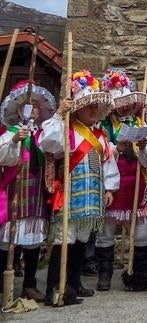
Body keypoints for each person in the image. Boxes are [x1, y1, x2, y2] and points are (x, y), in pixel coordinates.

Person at [39, 70, 119, 305]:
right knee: (65, 238)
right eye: (89, 106)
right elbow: (49, 144)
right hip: (71, 195)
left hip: (92, 197)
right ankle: (55, 287)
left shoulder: (101, 137)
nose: (94, 110)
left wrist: (109, 189)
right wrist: (58, 115)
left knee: (82, 240)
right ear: (78, 108)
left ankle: (74, 283)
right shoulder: (67, 130)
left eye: (96, 106)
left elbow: (108, 165)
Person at [96, 69, 147, 291]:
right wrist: (116, 148)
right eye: (120, 105)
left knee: (141, 229)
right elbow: (99, 152)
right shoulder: (104, 126)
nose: (124, 109)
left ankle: (138, 272)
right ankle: (104, 274)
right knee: (107, 230)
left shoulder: (140, 124)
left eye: (127, 104)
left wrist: (143, 148)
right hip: (114, 181)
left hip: (137, 182)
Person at [0, 80, 57, 301]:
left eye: (35, 106)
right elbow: (4, 157)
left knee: (33, 239)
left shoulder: (42, 134)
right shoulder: (9, 132)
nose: (31, 109)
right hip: (14, 191)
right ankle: (4, 284)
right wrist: (15, 140)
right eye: (27, 105)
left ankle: (30, 284)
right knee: (7, 241)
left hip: (36, 193)